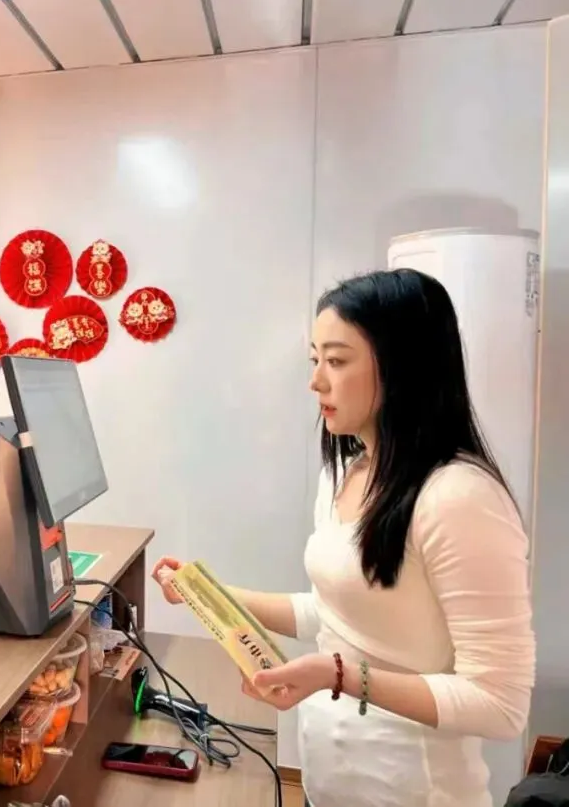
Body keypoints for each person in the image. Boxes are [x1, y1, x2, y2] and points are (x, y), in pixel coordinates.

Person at [153, 269, 535, 807]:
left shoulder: (459, 497)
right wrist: (207, 595)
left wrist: (337, 676)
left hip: (412, 793)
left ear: (401, 366)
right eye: (315, 360)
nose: (316, 382)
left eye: (336, 361)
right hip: (331, 781)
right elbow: (335, 613)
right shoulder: (345, 472)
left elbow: (500, 703)